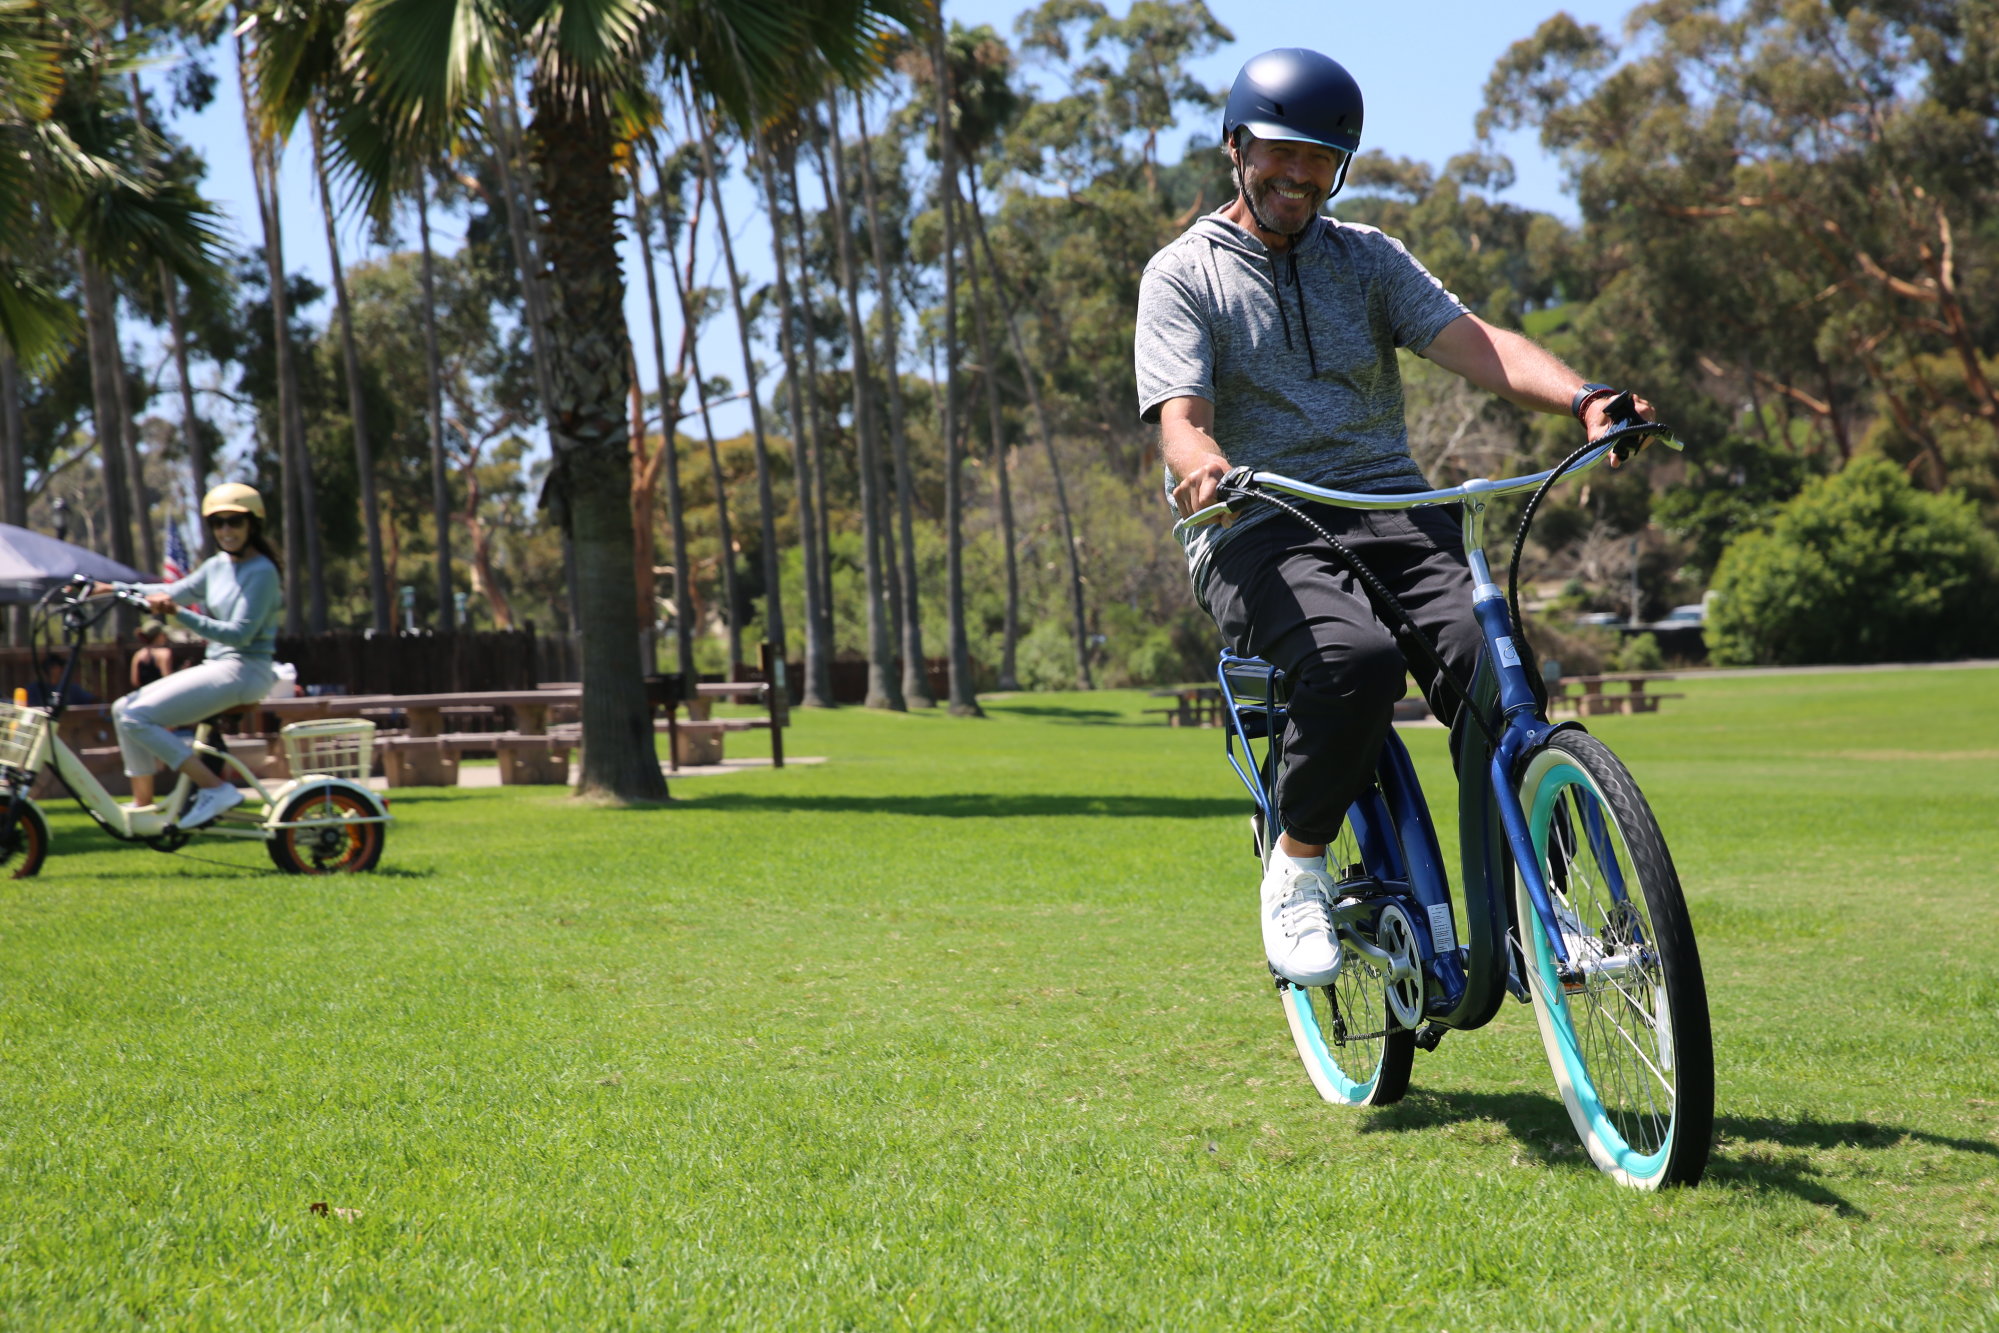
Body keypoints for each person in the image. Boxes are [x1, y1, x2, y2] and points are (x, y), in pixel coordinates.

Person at [1134, 48, 1661, 987]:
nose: (1297, 177)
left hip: (1395, 509)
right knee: (1353, 663)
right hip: (1258, 523)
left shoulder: (1367, 258)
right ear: (1234, 146)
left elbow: (1478, 347)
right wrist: (1203, 466)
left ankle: (1552, 911)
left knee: (1498, 676)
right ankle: (1294, 865)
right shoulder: (1182, 276)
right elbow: (1181, 418)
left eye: (1319, 162)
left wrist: (1584, 396)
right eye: (1279, 155)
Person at [93, 483, 283, 827]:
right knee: (124, 710)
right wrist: (113, 589)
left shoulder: (263, 572)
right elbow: (168, 591)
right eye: (218, 523)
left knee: (137, 717)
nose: (226, 530)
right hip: (220, 666)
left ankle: (215, 788)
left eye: (234, 522)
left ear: (253, 525)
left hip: (246, 670)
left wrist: (177, 613)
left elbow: (240, 634)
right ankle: (143, 809)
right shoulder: (216, 566)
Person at [130, 618, 177, 690]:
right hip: (160, 694)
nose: (165, 637)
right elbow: (167, 679)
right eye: (163, 634)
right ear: (158, 635)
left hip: (145, 695)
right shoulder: (164, 653)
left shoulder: (138, 655)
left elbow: (135, 682)